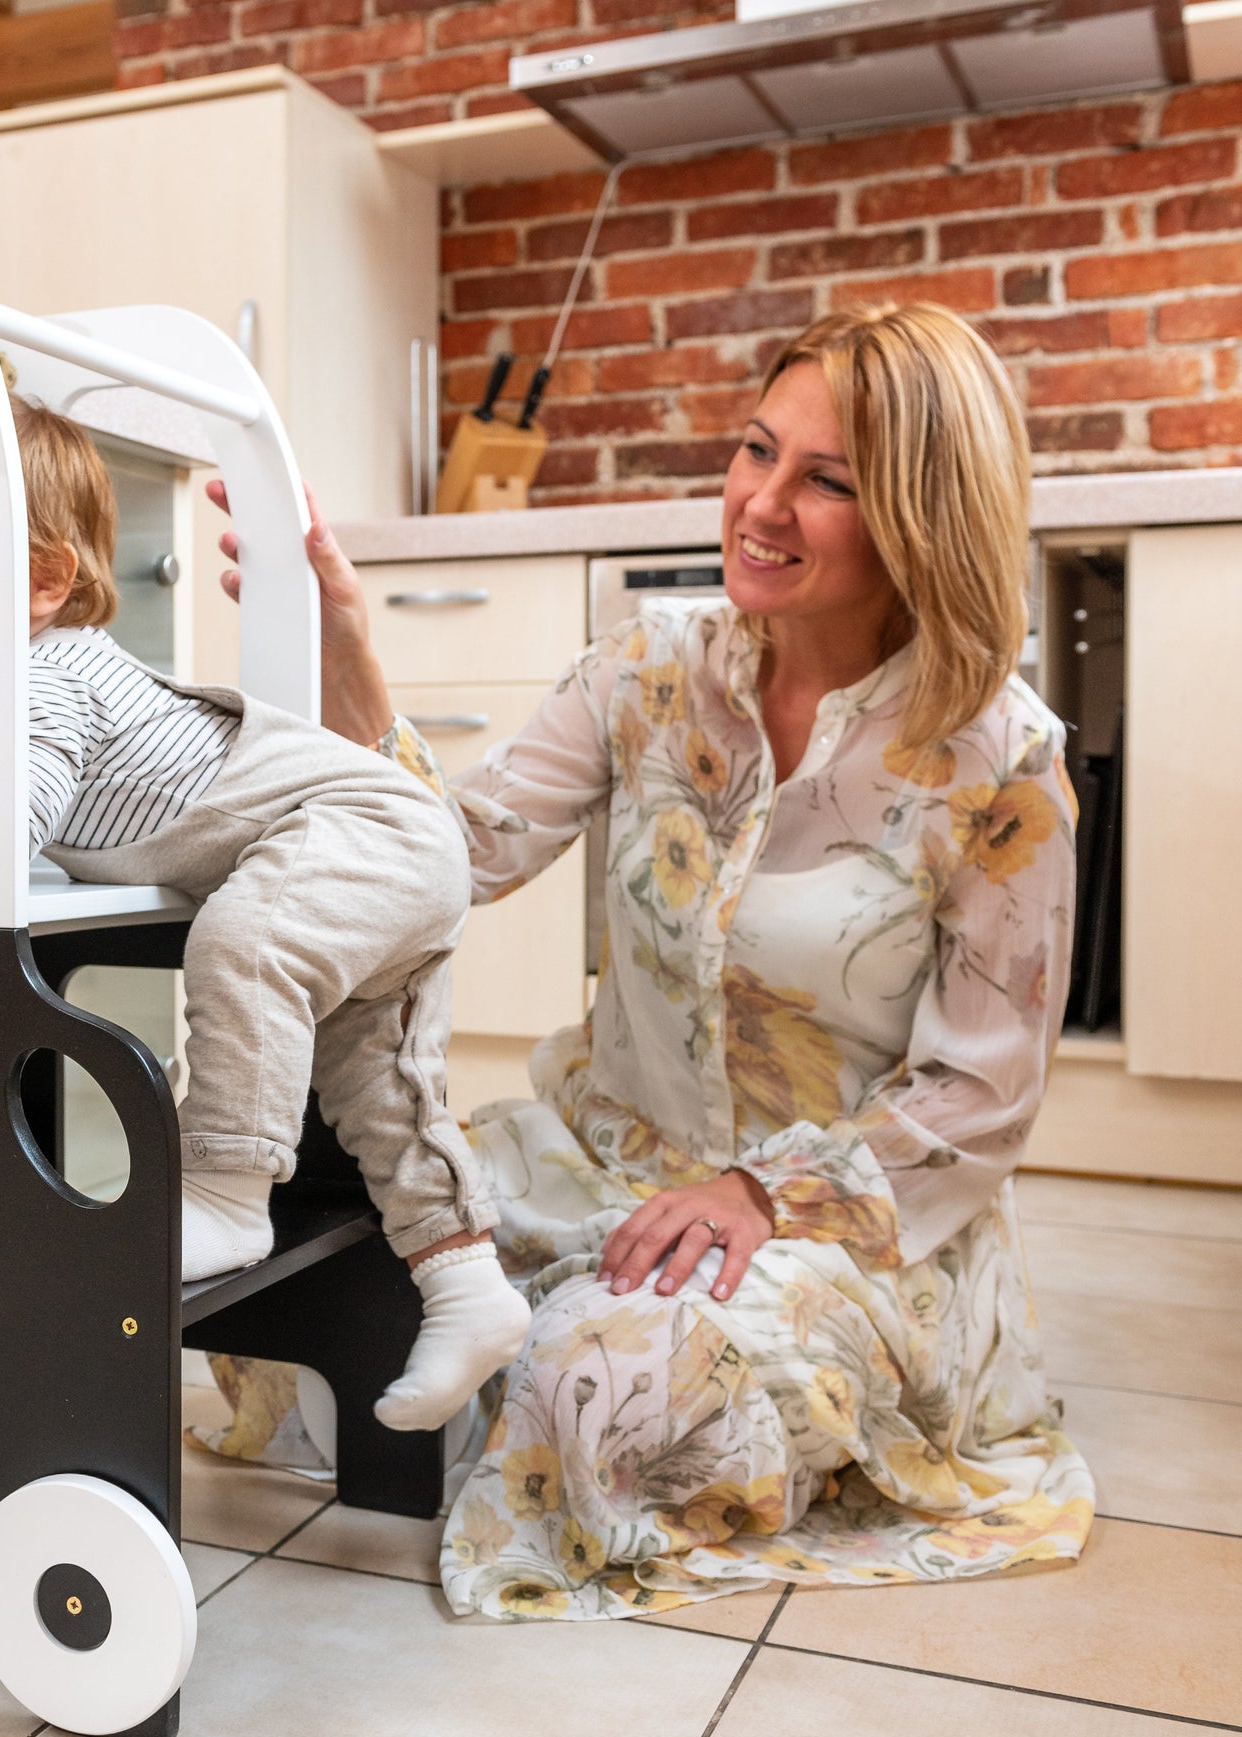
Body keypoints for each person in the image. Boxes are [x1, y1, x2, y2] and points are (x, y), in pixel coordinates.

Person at [212, 301, 1094, 1618]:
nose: (761, 504)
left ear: (920, 517)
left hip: (835, 1222)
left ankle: (567, 1393)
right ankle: (533, 1385)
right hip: (593, 1158)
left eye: (827, 481)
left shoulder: (1002, 760)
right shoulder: (648, 668)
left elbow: (980, 1097)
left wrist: (758, 1196)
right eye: (756, 451)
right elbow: (458, 853)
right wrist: (350, 651)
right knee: (306, 1297)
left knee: (599, 1382)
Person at [0, 394, 529, 1430]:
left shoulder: (44, 675)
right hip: (385, 841)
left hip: (364, 827)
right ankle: (468, 1285)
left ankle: (227, 1196)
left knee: (244, 945)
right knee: (377, 1081)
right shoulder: (24, 684)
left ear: (43, 581)